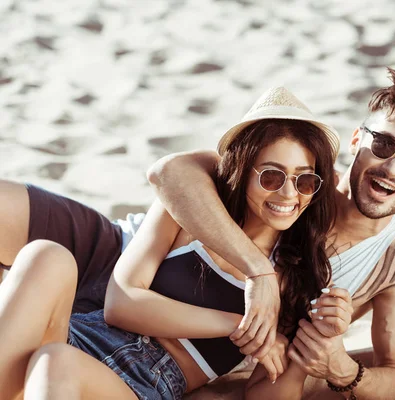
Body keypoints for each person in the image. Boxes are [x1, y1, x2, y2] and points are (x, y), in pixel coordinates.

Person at [0, 87, 351, 399]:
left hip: (141, 382)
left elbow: (267, 392)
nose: (288, 194)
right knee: (45, 256)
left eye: (305, 181)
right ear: (243, 170)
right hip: (81, 334)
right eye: (272, 176)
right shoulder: (188, 214)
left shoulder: (299, 278)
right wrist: (238, 326)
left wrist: (316, 342)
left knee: (55, 362)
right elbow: (120, 304)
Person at [148, 67, 395, 399]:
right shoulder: (298, 184)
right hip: (130, 264)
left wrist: (342, 369)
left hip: (186, 359)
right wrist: (259, 271)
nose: (393, 169)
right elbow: (170, 171)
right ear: (356, 141)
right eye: (383, 144)